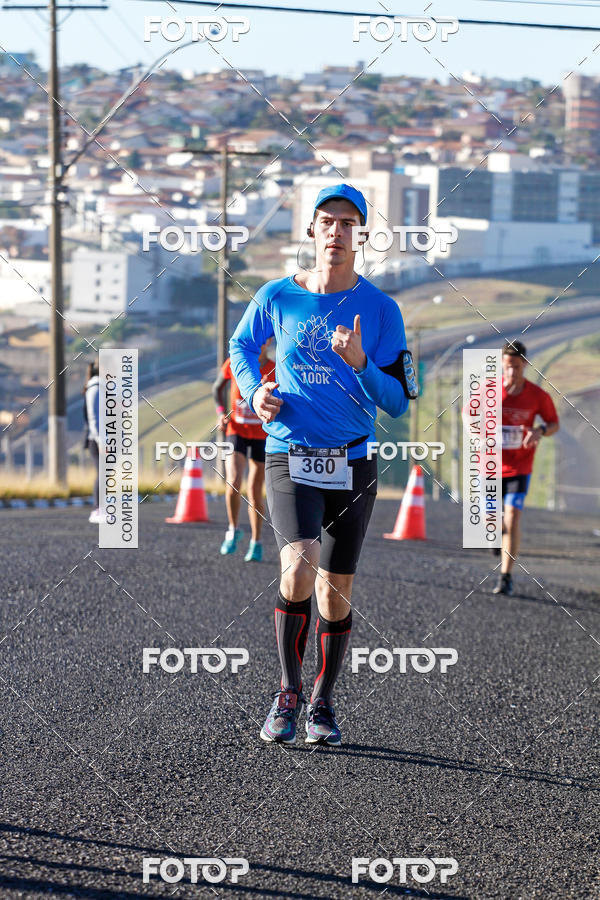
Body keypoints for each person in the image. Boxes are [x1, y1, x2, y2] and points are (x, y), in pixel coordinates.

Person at [230, 183, 416, 746]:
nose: (336, 232)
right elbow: (241, 348)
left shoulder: (382, 310)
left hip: (353, 463)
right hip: (289, 452)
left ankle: (322, 703)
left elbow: (399, 399)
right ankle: (287, 692)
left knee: (335, 592)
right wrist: (253, 392)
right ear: (311, 231)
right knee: (299, 564)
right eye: (327, 222)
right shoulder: (276, 296)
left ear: (360, 235)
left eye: (347, 223)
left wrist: (362, 364)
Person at [494, 340, 559, 596]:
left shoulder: (537, 395)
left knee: (512, 517)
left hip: (520, 467)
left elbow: (554, 423)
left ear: (526, 365)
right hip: (491, 466)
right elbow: (468, 413)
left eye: (518, 367)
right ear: (501, 364)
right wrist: (475, 432)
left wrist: (539, 431)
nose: (512, 373)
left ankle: (506, 576)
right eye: (508, 367)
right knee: (493, 522)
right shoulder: (490, 390)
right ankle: (496, 535)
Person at [212, 340, 275, 562]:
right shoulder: (235, 362)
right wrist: (221, 412)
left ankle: (256, 542)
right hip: (236, 429)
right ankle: (232, 529)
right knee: (233, 482)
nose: (261, 343)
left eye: (266, 339)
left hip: (261, 435)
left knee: (254, 491)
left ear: (269, 343)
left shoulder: (274, 368)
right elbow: (217, 388)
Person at [83, 361, 104, 524]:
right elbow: (94, 419)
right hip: (97, 440)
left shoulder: (103, 388)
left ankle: (102, 508)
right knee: (102, 474)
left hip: (104, 439)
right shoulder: (95, 388)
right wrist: (101, 441)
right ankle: (97, 509)